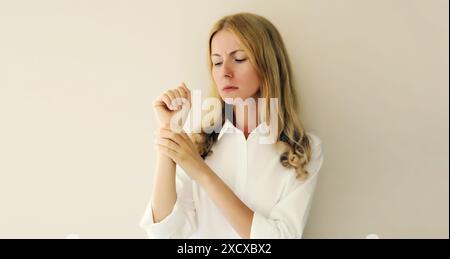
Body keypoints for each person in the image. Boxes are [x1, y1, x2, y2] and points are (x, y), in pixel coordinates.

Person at [140, 12, 324, 239]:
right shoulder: (197, 139)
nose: (225, 72)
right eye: (217, 62)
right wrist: (170, 130)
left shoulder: (305, 149)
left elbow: (278, 238)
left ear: (267, 64)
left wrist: (202, 172)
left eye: (238, 59)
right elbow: (162, 233)